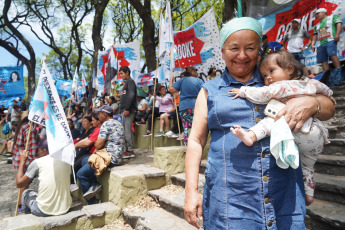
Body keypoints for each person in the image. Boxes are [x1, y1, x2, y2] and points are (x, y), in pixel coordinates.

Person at [183, 17, 335, 229]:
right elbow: (196, 141)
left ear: (260, 49)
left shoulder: (278, 79)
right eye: (234, 48)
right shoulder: (209, 90)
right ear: (223, 51)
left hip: (284, 193)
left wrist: (312, 103)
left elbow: (329, 107)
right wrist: (191, 191)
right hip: (231, 200)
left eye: (250, 48)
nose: (242, 55)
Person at [229, 50, 334, 205]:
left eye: (271, 71)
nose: (268, 77)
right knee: (308, 166)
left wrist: (243, 91)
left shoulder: (281, 86)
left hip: (294, 130)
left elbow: (262, 94)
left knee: (271, 121)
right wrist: (330, 96)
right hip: (316, 135)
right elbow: (326, 90)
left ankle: (251, 136)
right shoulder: (309, 83)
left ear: (290, 69)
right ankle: (309, 194)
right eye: (264, 75)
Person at [16, 138, 72, 216]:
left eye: (39, 150)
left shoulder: (38, 162)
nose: (38, 153)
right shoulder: (67, 160)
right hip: (65, 207)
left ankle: (28, 218)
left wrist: (22, 162)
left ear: (44, 151)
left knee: (26, 193)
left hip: (43, 210)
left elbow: (19, 184)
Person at [169, 66, 203, 145]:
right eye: (195, 71)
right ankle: (198, 145)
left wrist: (171, 80)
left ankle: (188, 146)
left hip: (184, 107)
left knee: (186, 127)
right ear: (192, 72)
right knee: (197, 127)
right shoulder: (199, 81)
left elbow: (171, 90)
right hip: (197, 106)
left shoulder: (182, 80)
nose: (197, 72)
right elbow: (205, 92)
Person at [12, 116, 39, 212]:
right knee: (24, 183)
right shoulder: (30, 129)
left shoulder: (23, 126)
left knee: (24, 183)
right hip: (26, 159)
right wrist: (34, 161)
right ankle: (20, 205)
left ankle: (20, 204)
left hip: (19, 157)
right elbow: (31, 148)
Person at [71, 114, 101, 193]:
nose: (83, 123)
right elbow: (85, 139)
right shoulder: (89, 130)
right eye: (83, 121)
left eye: (93, 121)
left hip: (91, 154)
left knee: (80, 172)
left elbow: (88, 142)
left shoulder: (96, 130)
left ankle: (94, 186)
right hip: (87, 153)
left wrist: (76, 145)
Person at [119, 66, 137, 158]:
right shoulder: (126, 83)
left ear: (127, 73)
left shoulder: (130, 82)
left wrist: (127, 109)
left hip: (128, 110)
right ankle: (126, 149)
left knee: (127, 131)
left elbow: (131, 95)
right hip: (124, 110)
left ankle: (130, 150)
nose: (121, 75)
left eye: (122, 73)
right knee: (124, 130)